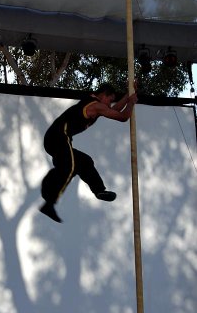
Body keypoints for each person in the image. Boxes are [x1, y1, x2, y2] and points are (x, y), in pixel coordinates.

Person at [39, 83, 138, 223]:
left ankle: (99, 190)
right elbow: (122, 116)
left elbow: (114, 109)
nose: (110, 104)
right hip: (57, 137)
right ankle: (49, 200)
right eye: (110, 100)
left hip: (56, 140)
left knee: (84, 162)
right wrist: (131, 103)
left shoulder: (95, 103)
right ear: (104, 95)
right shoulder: (95, 105)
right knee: (69, 166)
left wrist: (129, 95)